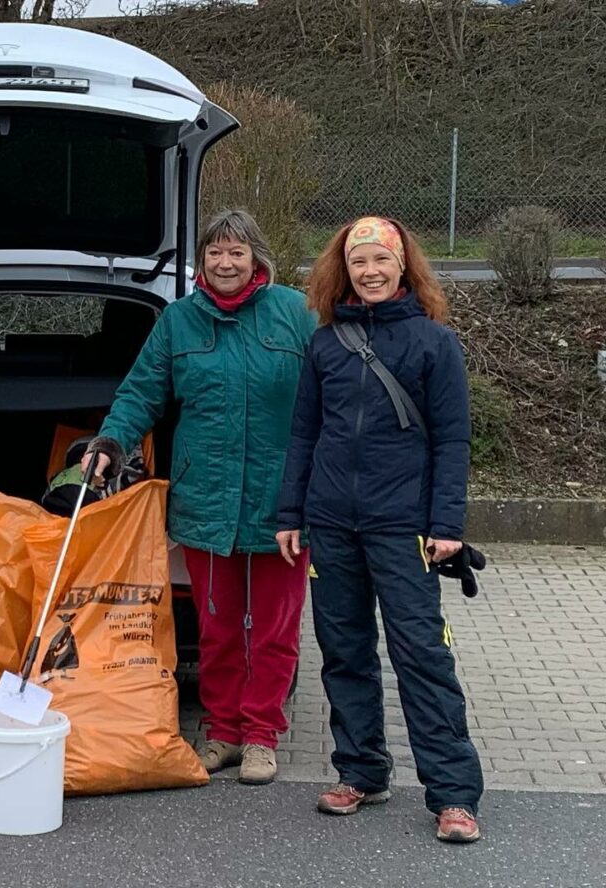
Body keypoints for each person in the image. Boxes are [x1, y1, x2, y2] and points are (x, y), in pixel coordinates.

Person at [83, 208, 315, 785]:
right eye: (215, 252)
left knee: (273, 628)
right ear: (201, 261)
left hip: (281, 499)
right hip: (206, 495)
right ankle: (221, 730)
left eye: (237, 252)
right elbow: (142, 391)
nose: (226, 262)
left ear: (257, 257)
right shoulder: (179, 321)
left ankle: (261, 734)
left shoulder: (296, 313)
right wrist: (111, 438)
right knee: (216, 626)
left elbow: (331, 392)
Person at [275, 216, 484, 843]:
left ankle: (452, 795)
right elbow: (304, 434)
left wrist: (446, 522)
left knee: (422, 655)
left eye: (380, 261)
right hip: (332, 523)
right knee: (344, 652)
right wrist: (292, 514)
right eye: (357, 261)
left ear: (402, 267)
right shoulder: (324, 344)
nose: (369, 271)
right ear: (344, 270)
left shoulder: (434, 344)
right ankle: (362, 772)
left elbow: (453, 440)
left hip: (405, 529)